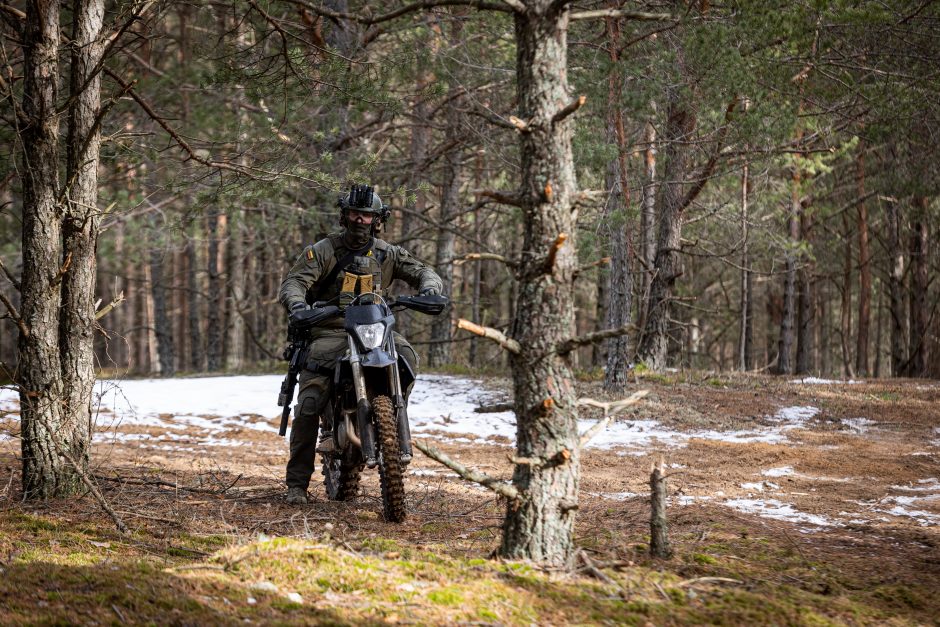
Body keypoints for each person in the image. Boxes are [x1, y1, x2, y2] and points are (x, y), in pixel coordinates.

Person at [278, 184, 443, 505]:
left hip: (375, 328)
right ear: (344, 215)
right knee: (310, 403)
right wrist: (298, 306)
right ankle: (297, 484)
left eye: (366, 216)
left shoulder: (387, 253)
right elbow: (294, 282)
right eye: (354, 214)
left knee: (407, 355)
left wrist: (430, 289)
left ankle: (394, 412)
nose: (360, 221)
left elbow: (423, 271)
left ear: (377, 219)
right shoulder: (323, 251)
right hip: (330, 330)